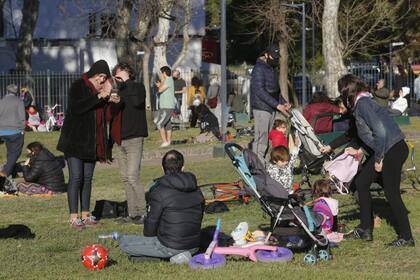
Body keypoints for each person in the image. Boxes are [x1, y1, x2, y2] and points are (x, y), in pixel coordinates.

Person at [338, 74, 414, 247]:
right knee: (363, 182)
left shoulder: (363, 104)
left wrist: (379, 158)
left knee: (392, 194)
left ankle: (407, 237)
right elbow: (371, 135)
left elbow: (380, 132)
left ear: (347, 91)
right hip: (388, 148)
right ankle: (365, 229)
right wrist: (360, 150)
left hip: (392, 149)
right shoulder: (363, 103)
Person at [57, 59, 118, 229]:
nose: (101, 81)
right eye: (100, 77)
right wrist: (98, 96)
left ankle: (86, 214)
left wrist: (110, 101)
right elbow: (77, 108)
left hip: (92, 143)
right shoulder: (79, 86)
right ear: (93, 75)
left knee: (88, 178)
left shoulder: (100, 92)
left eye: (104, 78)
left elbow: (104, 117)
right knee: (76, 177)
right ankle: (73, 217)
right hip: (74, 142)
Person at [119, 150, 204, 260]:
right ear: (183, 167)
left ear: (162, 168)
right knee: (125, 238)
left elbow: (151, 223)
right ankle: (180, 254)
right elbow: (200, 216)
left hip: (169, 245)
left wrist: (151, 241)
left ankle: (167, 256)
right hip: (194, 245)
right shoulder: (197, 189)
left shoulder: (159, 191)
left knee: (124, 245)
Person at [111, 62, 148, 224]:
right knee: (125, 178)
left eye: (120, 73)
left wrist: (126, 83)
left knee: (133, 176)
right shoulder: (118, 90)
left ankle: (143, 212)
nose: (118, 76)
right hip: (120, 139)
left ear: (128, 72)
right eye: (116, 74)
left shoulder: (138, 87)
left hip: (134, 137)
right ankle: (132, 213)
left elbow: (137, 102)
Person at [250, 45, 290, 163]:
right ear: (266, 55)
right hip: (261, 107)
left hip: (271, 107)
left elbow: (275, 90)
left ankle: (266, 163)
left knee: (268, 139)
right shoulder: (258, 69)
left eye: (277, 57)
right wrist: (277, 105)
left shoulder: (271, 68)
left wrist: (283, 102)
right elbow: (260, 91)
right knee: (261, 138)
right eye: (274, 56)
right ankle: (257, 164)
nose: (276, 60)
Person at [0, 84, 25, 177]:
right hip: (15, 130)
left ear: (7, 91)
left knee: (10, 151)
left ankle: (11, 171)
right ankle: (5, 171)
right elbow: (22, 117)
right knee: (15, 152)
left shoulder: (1, 101)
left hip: (1, 130)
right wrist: (22, 129)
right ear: (16, 92)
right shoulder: (19, 101)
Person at [155, 66, 176, 148]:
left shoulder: (168, 80)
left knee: (159, 124)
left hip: (167, 106)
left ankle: (165, 142)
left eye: (161, 73)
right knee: (167, 124)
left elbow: (160, 90)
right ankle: (168, 142)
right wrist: (160, 84)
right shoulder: (168, 80)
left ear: (164, 73)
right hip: (166, 106)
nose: (160, 75)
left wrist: (159, 85)